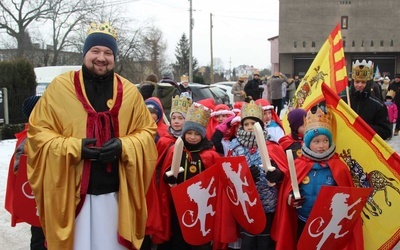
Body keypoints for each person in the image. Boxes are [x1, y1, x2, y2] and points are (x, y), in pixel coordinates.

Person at [26, 21, 158, 250]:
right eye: (95, 51)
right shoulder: (59, 88)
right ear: (85, 53)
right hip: (73, 197)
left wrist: (123, 145)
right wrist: (74, 148)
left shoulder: (129, 92)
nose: (101, 57)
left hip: (117, 196)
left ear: (114, 57)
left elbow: (147, 132)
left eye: (108, 52)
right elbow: (38, 133)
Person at [272, 108, 364, 249]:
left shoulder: (339, 167)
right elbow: (288, 190)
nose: (321, 145)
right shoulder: (298, 165)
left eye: (325, 140)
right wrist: (291, 199)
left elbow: (347, 196)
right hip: (303, 219)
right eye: (316, 141)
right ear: (308, 143)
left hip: (329, 222)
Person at [157, 103, 220, 249]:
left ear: (203, 135)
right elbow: (166, 175)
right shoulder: (175, 150)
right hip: (177, 204)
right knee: (178, 238)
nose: (192, 137)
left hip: (202, 205)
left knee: (199, 239)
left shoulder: (210, 154)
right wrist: (169, 178)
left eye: (197, 134)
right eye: (189, 133)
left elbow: (216, 182)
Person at [229, 100, 287, 250]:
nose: (250, 128)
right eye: (246, 124)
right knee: (248, 241)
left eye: (254, 124)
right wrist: (245, 176)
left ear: (261, 126)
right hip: (246, 204)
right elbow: (228, 175)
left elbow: (285, 172)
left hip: (269, 203)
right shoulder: (235, 147)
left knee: (264, 242)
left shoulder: (272, 146)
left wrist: (278, 175)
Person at [5, 95, 46, 250]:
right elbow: (19, 168)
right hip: (39, 195)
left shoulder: (31, 133)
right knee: (40, 236)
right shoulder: (31, 136)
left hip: (41, 195)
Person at [341, 59, 391, 140]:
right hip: (345, 145)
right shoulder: (343, 101)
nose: (359, 85)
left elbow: (386, 132)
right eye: (357, 82)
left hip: (366, 147)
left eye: (363, 82)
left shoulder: (378, 105)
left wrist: (364, 127)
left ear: (368, 83)